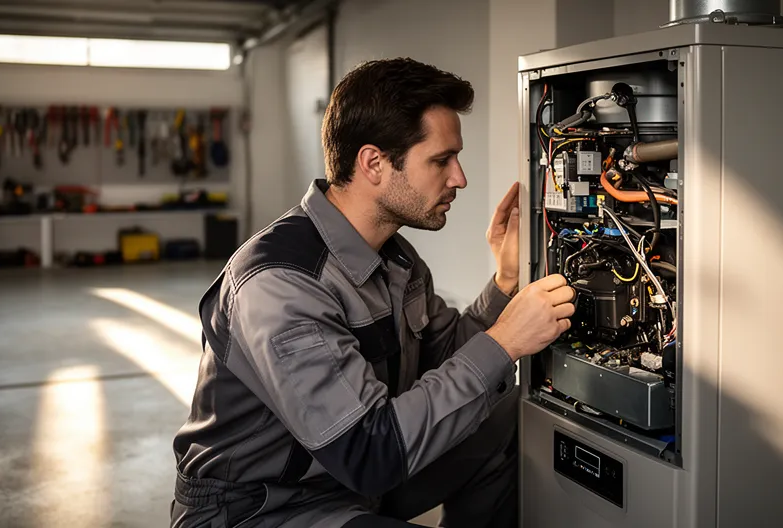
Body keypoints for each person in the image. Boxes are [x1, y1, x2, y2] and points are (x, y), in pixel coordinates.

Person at [170, 57, 576, 528]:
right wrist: (505, 342)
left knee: (508, 420)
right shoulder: (280, 284)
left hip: (348, 487)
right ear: (374, 163)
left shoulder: (395, 258)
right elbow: (369, 452)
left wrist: (505, 284)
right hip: (262, 508)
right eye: (442, 160)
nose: (459, 178)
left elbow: (449, 360)